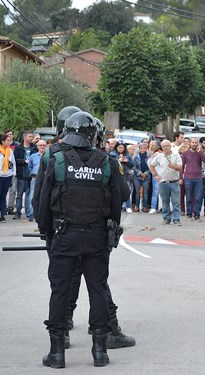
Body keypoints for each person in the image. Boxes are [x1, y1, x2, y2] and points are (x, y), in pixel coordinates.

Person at [37, 112, 121, 368]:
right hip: (96, 237)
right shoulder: (106, 162)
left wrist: (47, 232)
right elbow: (116, 204)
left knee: (60, 291)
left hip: (65, 236)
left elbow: (43, 203)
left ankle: (57, 352)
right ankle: (99, 352)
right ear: (93, 135)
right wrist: (110, 232)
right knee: (97, 290)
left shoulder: (58, 159)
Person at [148, 140, 183, 225]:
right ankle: (166, 218)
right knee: (165, 201)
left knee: (176, 202)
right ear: (161, 147)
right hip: (163, 182)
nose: (166, 147)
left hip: (174, 182)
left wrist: (174, 166)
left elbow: (180, 167)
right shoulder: (159, 156)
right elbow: (151, 165)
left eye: (167, 145)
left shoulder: (176, 155)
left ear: (170, 146)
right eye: (164, 146)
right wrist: (155, 175)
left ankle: (176, 219)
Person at [181, 138, 205, 221]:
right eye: (193, 142)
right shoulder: (185, 154)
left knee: (197, 197)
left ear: (197, 144)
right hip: (188, 177)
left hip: (198, 178)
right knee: (189, 197)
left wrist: (200, 153)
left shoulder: (200, 153)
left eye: (195, 143)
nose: (194, 144)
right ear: (190, 143)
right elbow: (182, 166)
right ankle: (189, 214)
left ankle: (197, 214)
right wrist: (181, 177)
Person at [13, 131, 36, 220]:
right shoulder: (19, 148)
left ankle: (29, 212)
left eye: (32, 136)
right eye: (30, 136)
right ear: (25, 137)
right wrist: (23, 161)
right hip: (21, 175)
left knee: (29, 195)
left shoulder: (34, 148)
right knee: (19, 194)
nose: (31, 138)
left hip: (31, 175)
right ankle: (17, 212)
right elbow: (14, 159)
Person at [0, 132, 16, 223]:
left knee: (3, 196)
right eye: (8, 141)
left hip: (8, 176)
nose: (10, 142)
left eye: (10, 141)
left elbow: (13, 162)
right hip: (0, 176)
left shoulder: (10, 151)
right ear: (2, 141)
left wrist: (14, 172)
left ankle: (2, 215)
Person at [132, 143, 152, 213]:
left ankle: (145, 207)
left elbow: (151, 167)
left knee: (145, 192)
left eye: (144, 148)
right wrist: (140, 173)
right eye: (141, 148)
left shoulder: (149, 157)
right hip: (137, 177)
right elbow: (133, 167)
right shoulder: (135, 158)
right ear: (139, 149)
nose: (142, 150)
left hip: (146, 177)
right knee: (137, 192)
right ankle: (137, 206)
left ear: (146, 149)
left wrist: (145, 174)